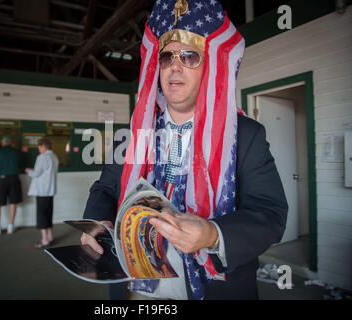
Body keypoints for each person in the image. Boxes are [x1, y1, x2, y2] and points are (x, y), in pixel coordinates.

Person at [81, 0, 288, 300]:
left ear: (209, 67)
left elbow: (271, 215)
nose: (175, 66)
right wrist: (98, 221)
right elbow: (105, 189)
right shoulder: (132, 133)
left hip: (213, 290)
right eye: (166, 57)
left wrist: (213, 234)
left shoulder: (246, 136)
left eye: (190, 56)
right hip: (134, 290)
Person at [25, 138, 59, 249]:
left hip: (42, 190)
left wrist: (28, 171)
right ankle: (50, 236)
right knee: (48, 213)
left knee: (41, 215)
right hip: (50, 190)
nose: (39, 149)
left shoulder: (42, 157)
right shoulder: (54, 157)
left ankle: (44, 240)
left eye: (39, 147)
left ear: (44, 146)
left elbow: (36, 173)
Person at [0, 135, 23, 236]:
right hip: (14, 179)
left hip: (2, 180)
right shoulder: (16, 152)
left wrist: (1, 167)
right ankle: (10, 227)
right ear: (10, 142)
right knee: (13, 203)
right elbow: (21, 166)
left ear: (2, 142)